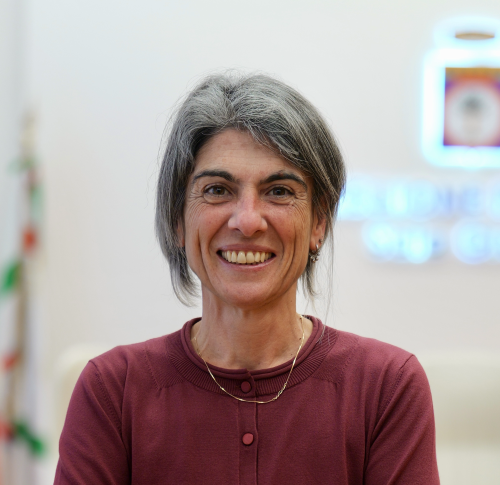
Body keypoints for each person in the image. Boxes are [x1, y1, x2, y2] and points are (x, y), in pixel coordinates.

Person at [55, 73, 440, 484]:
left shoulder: (386, 387)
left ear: (319, 223)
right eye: (217, 190)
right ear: (177, 221)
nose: (248, 220)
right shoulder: (112, 391)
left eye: (279, 191)